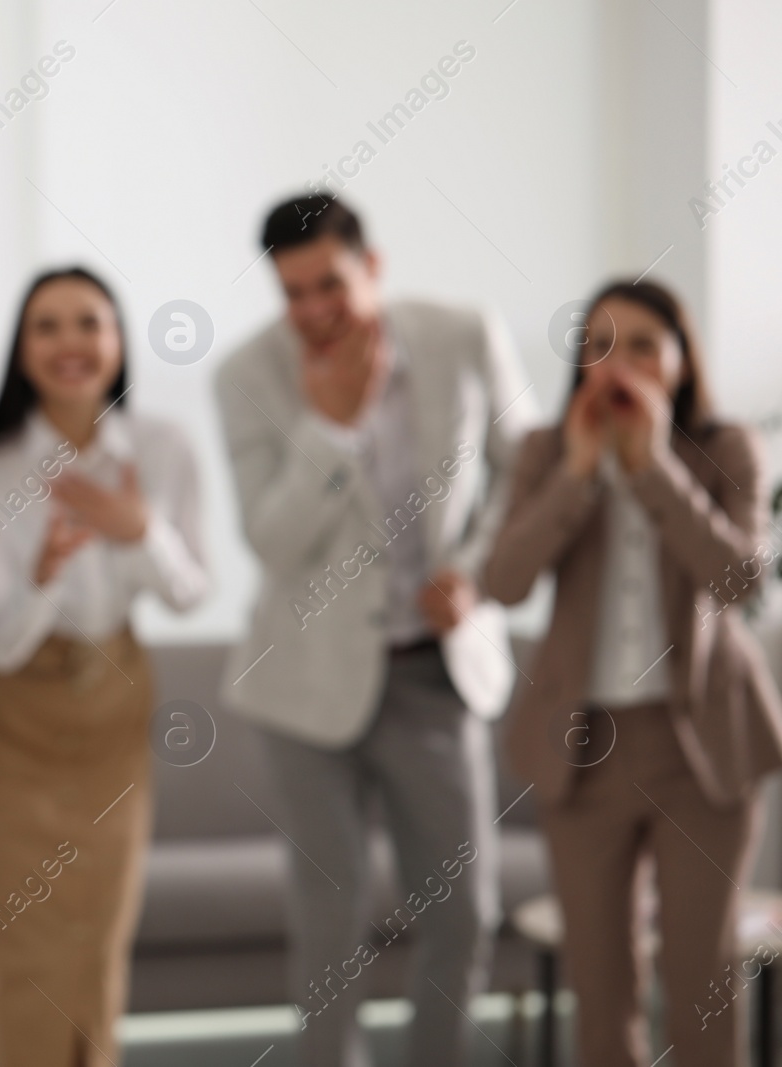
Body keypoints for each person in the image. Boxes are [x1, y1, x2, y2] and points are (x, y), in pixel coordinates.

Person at [214, 195, 537, 1066]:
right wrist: (333, 425)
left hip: (434, 671)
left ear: (373, 266)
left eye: (330, 284)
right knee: (329, 921)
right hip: (303, 686)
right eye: (293, 294)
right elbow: (269, 539)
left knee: (464, 910)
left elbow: (526, 473)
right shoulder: (246, 377)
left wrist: (471, 574)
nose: (314, 312)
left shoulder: (463, 335)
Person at [483, 280, 782, 1067]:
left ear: (683, 360)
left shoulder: (727, 448)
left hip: (703, 746)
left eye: (645, 343)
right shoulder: (546, 451)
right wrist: (580, 475)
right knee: (602, 989)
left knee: (702, 979)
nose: (620, 361)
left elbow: (740, 582)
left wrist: (651, 469)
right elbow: (504, 581)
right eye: (600, 342)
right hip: (583, 749)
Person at [0, 266, 208, 1067]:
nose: (70, 343)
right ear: (21, 350)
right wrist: (46, 572)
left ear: (118, 341)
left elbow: (193, 591)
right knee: (16, 940)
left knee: (100, 935)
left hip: (113, 703)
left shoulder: (163, 448)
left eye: (88, 323)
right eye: (47, 326)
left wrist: (139, 530)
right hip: (6, 717)